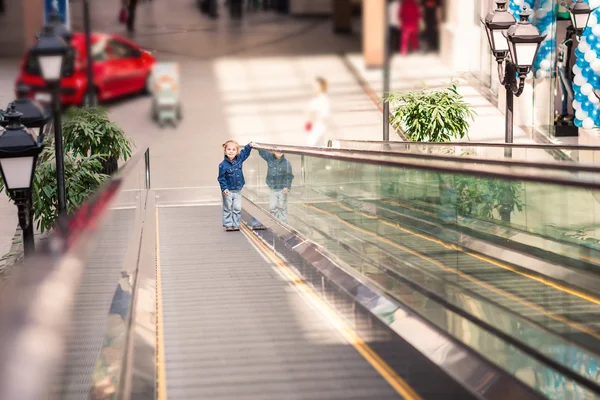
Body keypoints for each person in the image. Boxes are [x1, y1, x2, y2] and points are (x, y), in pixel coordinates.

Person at [218, 140, 254, 231]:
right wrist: (224, 188)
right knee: (227, 208)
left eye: (233, 150)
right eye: (229, 149)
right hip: (228, 191)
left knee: (237, 208)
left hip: (238, 190)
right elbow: (221, 178)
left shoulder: (239, 160)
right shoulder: (222, 165)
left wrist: (250, 145)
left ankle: (236, 223)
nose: (231, 151)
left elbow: (245, 152)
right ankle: (228, 224)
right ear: (225, 151)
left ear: (237, 152)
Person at [258, 150, 294, 223]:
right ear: (273, 151)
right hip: (272, 187)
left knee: (282, 206)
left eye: (281, 150)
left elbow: (289, 176)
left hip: (282, 188)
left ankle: (283, 223)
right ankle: (274, 221)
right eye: (277, 150)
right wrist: (258, 146)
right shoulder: (270, 158)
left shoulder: (286, 163)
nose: (279, 151)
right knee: (273, 206)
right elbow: (262, 152)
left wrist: (287, 186)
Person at [305, 77, 330, 147]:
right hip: (313, 127)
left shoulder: (324, 99)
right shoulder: (314, 99)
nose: (314, 88)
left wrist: (314, 115)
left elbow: (325, 114)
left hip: (319, 128)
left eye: (316, 86)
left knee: (314, 146)